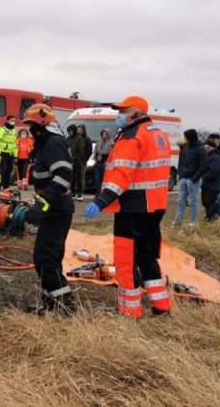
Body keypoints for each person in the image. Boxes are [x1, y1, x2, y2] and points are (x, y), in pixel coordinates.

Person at [83, 95, 172, 319]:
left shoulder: (132, 137)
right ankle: (162, 306)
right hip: (155, 206)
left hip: (132, 208)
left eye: (123, 111)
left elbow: (122, 175)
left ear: (136, 113)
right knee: (147, 256)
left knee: (126, 259)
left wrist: (100, 201)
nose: (119, 116)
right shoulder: (158, 133)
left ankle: (129, 310)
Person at [22, 104, 76, 315]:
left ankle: (65, 305)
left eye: (32, 125)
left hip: (58, 210)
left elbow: (63, 176)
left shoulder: (54, 143)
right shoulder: (45, 143)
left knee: (45, 259)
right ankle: (50, 305)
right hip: (52, 210)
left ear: (42, 124)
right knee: (48, 258)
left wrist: (41, 204)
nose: (30, 130)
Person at [173, 129, 207, 229]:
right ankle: (177, 221)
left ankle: (193, 222)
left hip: (194, 180)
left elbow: (204, 165)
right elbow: (183, 162)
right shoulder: (186, 148)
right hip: (184, 178)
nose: (184, 139)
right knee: (180, 201)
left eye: (185, 137)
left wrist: (195, 179)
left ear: (190, 137)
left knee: (193, 201)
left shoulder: (201, 149)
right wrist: (181, 176)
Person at [201, 140, 220, 221]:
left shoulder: (216, 157)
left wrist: (202, 177)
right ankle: (209, 216)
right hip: (207, 184)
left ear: (208, 147)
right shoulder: (209, 156)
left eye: (204, 147)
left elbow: (213, 172)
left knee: (211, 202)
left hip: (212, 185)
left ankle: (213, 218)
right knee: (205, 202)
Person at [0, 115, 18, 189]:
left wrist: (15, 155)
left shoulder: (14, 131)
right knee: (2, 172)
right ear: (7, 120)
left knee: (8, 172)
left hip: (10, 154)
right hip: (2, 153)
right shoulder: (1, 129)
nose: (13, 122)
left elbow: (14, 144)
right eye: (12, 120)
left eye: (14, 120)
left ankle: (5, 188)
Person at [66, 124, 85, 201]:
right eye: (69, 131)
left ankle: (80, 194)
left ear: (74, 130)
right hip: (69, 161)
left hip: (77, 161)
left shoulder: (79, 138)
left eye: (71, 130)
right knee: (71, 178)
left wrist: (76, 159)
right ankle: (73, 193)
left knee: (78, 177)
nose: (70, 132)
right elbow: (66, 148)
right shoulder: (68, 139)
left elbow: (81, 150)